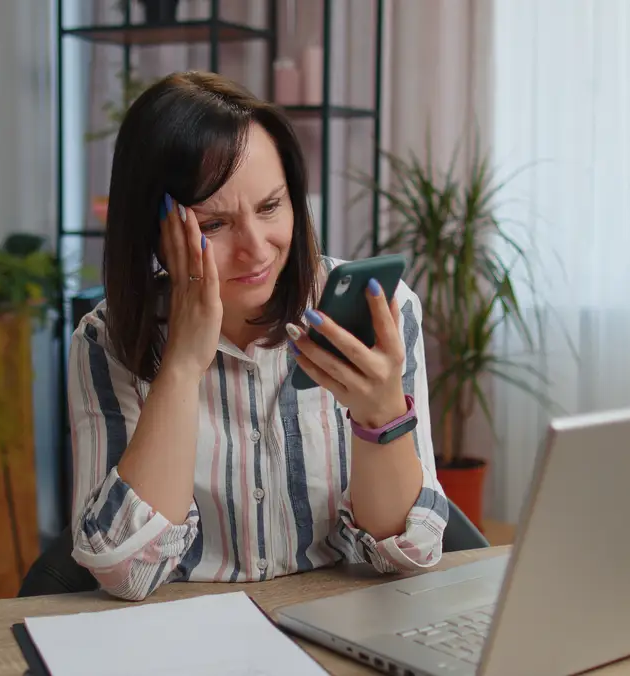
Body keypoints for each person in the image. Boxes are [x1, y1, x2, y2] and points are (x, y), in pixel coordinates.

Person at [67, 71, 449, 601]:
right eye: (214, 225)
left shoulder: (381, 311)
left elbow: (408, 553)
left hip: (334, 620)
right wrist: (180, 364)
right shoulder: (108, 339)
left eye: (271, 207)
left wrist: (381, 415)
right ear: (154, 231)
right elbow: (124, 571)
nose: (257, 249)